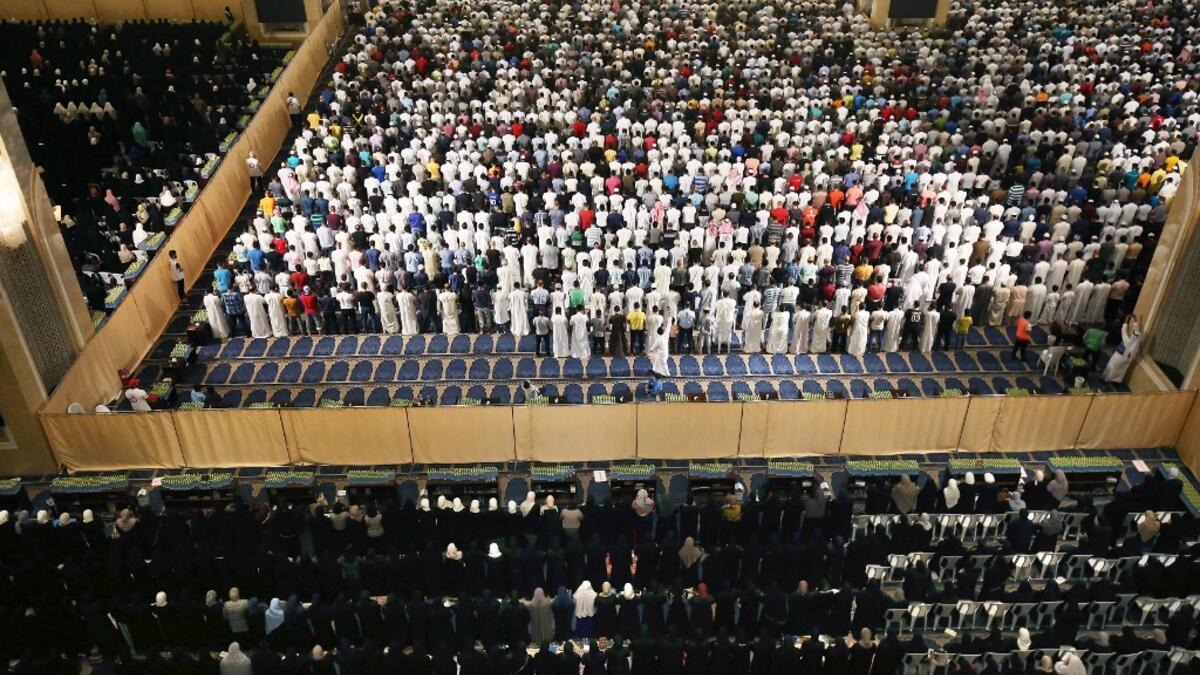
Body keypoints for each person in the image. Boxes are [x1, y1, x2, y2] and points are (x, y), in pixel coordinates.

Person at [1103, 316, 1141, 383]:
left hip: (1119, 356)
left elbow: (1124, 330)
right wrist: (1135, 320)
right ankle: (1116, 380)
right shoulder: (1137, 341)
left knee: (1112, 367)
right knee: (1122, 369)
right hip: (1129, 358)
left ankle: (1107, 379)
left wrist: (1126, 320)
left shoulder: (1127, 341)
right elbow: (1136, 331)